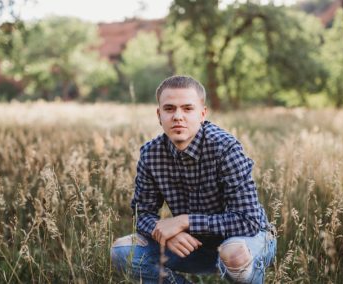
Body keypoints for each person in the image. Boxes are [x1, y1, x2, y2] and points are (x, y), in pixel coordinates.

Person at [111, 75, 276, 283]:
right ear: (159, 114)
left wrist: (184, 221)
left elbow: (248, 220)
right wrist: (166, 234)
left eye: (187, 109)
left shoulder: (225, 149)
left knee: (234, 253)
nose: (178, 116)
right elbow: (142, 213)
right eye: (169, 109)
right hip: (191, 245)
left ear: (202, 114)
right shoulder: (151, 154)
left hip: (246, 242)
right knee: (123, 252)